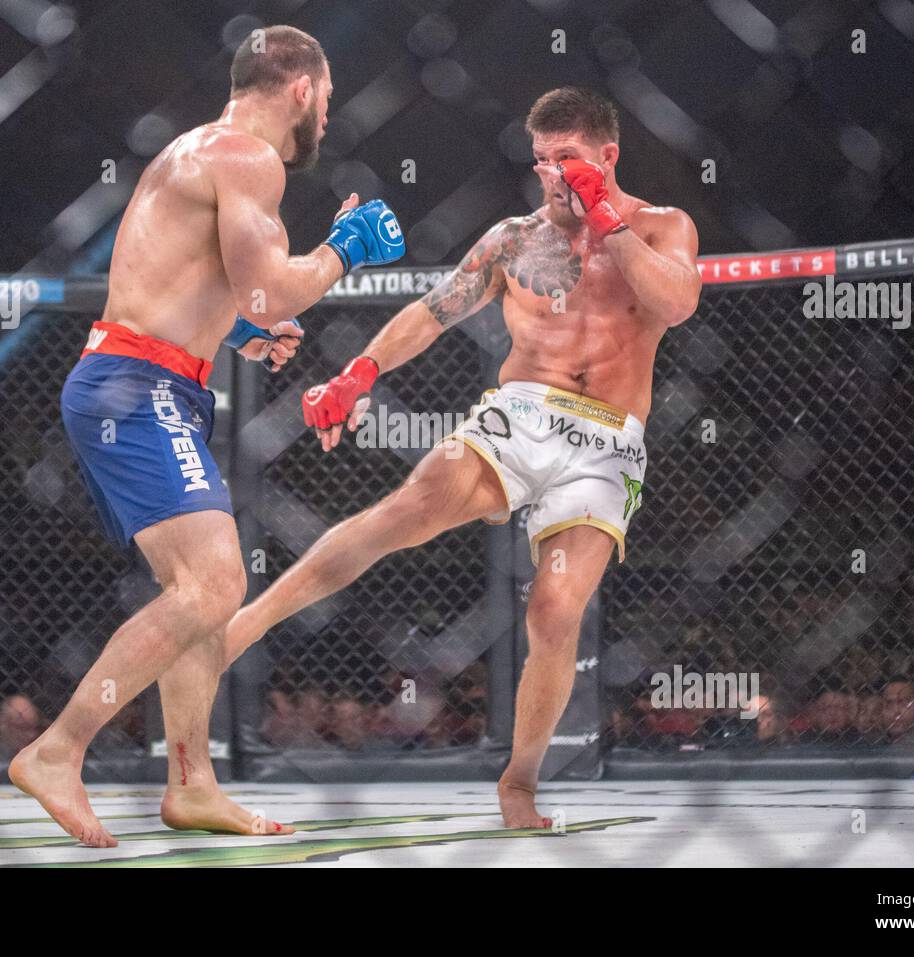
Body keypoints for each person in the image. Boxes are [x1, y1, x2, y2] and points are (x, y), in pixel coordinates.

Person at [226, 86, 700, 827]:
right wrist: (358, 375)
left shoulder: (664, 226)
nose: (552, 175)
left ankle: (520, 780)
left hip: (605, 445)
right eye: (542, 161)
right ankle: (242, 628)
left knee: (552, 609)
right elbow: (434, 309)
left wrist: (609, 222)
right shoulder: (514, 238)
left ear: (607, 155)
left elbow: (676, 303)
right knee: (403, 511)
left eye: (568, 159)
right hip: (518, 416)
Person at [10, 25, 405, 846]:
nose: (326, 119)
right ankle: (59, 749)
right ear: (301, 88)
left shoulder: (194, 150)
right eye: (326, 101)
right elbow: (269, 291)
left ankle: (192, 784)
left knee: (197, 594)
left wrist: (233, 334)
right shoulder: (247, 158)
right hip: (137, 385)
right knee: (214, 585)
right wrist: (345, 247)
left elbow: (186, 276)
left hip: (149, 380)